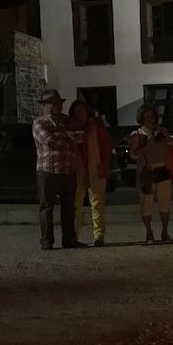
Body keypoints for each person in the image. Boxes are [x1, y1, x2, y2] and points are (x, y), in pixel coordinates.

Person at [32, 88, 85, 250]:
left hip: (68, 169)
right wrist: (68, 136)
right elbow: (50, 141)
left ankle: (69, 239)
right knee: (47, 207)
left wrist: (61, 135)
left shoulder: (69, 121)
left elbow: (80, 136)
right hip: (47, 170)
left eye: (57, 103)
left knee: (69, 207)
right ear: (45, 106)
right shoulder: (39, 122)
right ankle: (47, 241)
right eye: (51, 103)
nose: (55, 106)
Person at [129, 104, 173, 243]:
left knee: (165, 203)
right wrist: (145, 144)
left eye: (152, 116)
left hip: (163, 169)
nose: (150, 119)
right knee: (146, 203)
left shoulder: (161, 131)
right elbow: (133, 155)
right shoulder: (137, 134)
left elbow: (171, 146)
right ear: (141, 118)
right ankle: (149, 232)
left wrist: (167, 140)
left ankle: (165, 231)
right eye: (147, 117)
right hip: (146, 171)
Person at [68, 99, 112, 246]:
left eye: (82, 110)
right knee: (76, 204)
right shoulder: (71, 129)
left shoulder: (97, 129)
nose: (80, 114)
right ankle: (73, 235)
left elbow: (106, 149)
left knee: (97, 203)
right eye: (77, 111)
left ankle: (99, 236)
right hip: (77, 169)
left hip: (95, 167)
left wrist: (104, 166)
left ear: (87, 112)